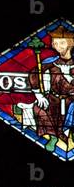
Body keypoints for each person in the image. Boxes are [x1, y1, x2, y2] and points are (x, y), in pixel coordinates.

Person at [31, 25, 74, 154]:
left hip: (71, 99)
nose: (58, 46)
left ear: (71, 43)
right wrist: (38, 94)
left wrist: (67, 76)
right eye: (55, 43)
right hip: (54, 97)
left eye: (62, 43)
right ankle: (52, 137)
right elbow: (35, 73)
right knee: (39, 109)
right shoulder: (52, 61)